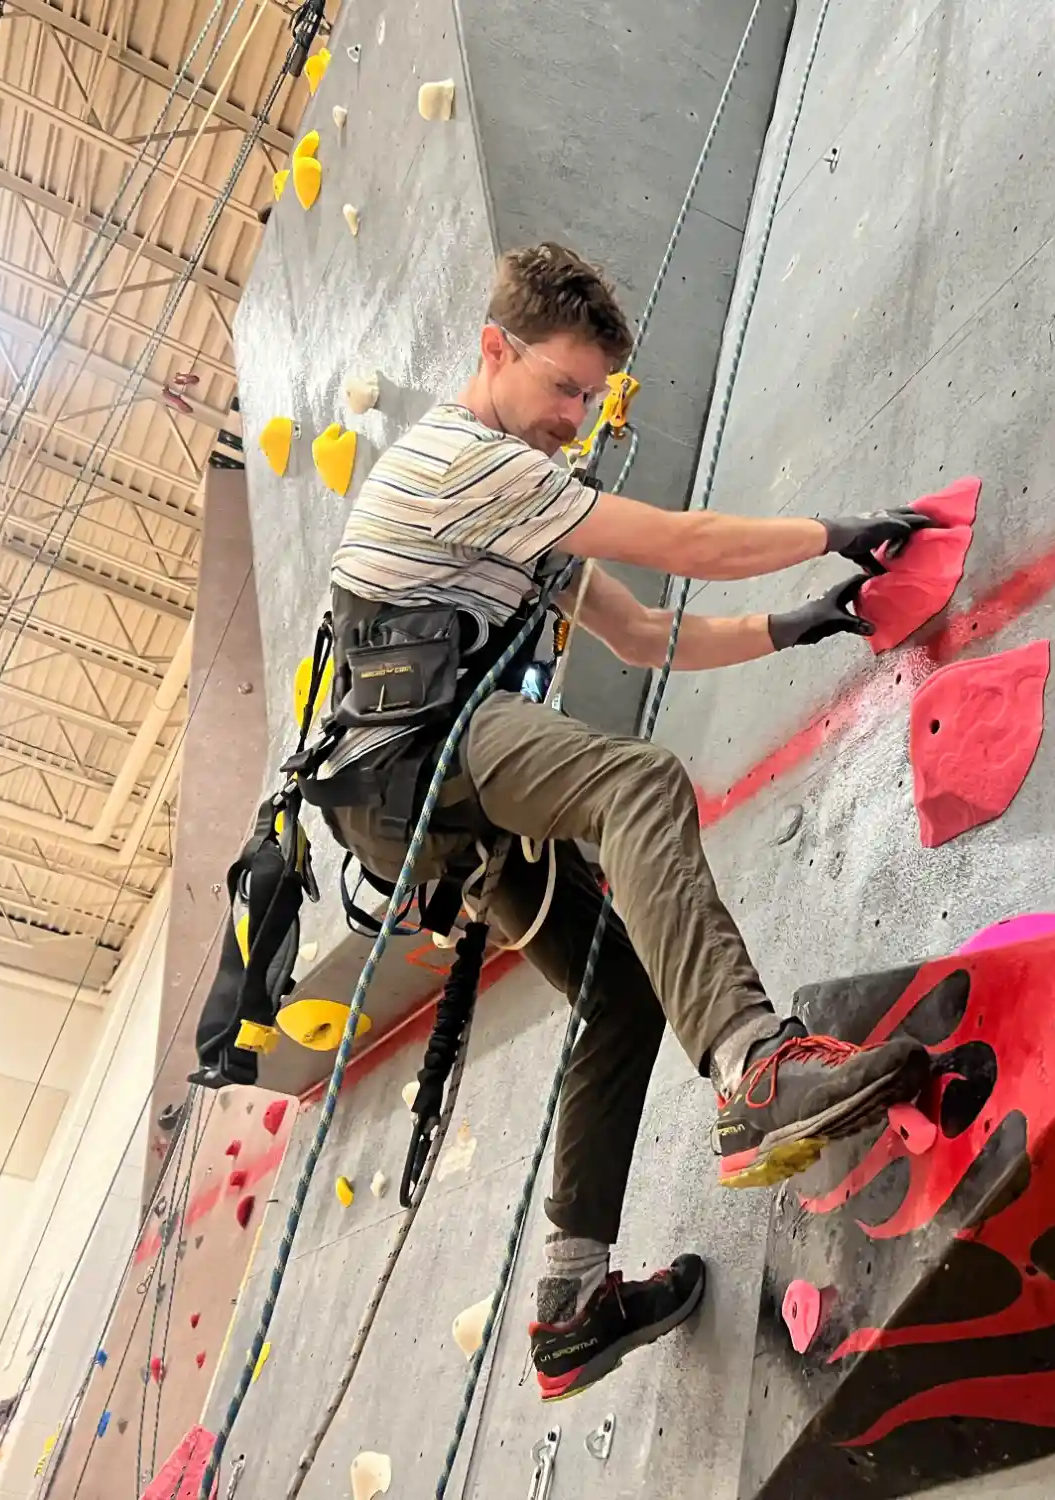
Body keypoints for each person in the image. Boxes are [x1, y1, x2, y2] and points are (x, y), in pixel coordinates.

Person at [316, 243, 943, 1401]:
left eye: (591, 399)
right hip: (425, 754)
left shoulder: (524, 510)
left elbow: (650, 633)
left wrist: (800, 623)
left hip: (425, 791)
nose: (575, 417)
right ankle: (754, 1069)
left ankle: (569, 1299)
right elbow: (680, 542)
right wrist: (829, 529)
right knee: (640, 783)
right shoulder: (465, 463)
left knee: (622, 990)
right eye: (561, 388)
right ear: (493, 352)